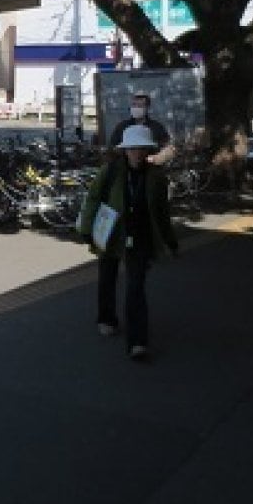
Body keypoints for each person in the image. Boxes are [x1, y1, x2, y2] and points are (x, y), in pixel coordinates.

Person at [78, 124, 179, 362]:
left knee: (136, 287)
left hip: (141, 236)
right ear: (125, 150)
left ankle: (137, 342)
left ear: (147, 150)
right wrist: (86, 229)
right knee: (107, 276)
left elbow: (162, 213)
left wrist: (170, 241)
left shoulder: (156, 178)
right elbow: (92, 198)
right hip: (111, 232)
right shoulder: (110, 171)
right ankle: (106, 317)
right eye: (132, 149)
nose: (137, 153)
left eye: (141, 149)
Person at [108, 90, 175, 166]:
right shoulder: (122, 127)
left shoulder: (157, 127)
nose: (136, 108)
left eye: (140, 106)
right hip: (126, 168)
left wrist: (159, 157)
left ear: (147, 108)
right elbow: (113, 146)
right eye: (134, 105)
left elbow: (167, 147)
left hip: (151, 167)